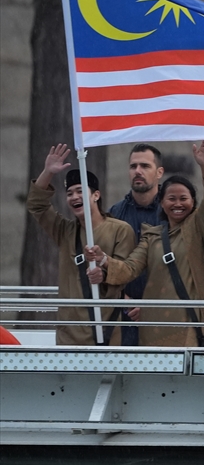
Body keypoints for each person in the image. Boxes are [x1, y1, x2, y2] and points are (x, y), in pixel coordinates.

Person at [85, 141, 204, 347]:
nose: (177, 204)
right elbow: (128, 268)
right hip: (148, 329)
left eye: (183, 198)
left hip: (188, 329)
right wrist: (102, 259)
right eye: (171, 199)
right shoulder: (150, 236)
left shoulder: (198, 227)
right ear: (162, 203)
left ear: (193, 203)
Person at [26, 144, 135, 346]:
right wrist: (48, 172)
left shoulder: (121, 230)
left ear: (96, 195)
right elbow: (36, 205)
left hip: (106, 331)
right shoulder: (65, 231)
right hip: (69, 334)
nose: (74, 197)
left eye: (80, 191)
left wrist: (104, 271)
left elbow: (125, 272)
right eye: (69, 193)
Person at [107, 143, 165, 346]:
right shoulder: (115, 213)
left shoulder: (174, 212)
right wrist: (123, 299)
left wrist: (153, 306)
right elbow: (103, 264)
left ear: (159, 172)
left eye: (145, 166)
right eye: (133, 166)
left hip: (166, 318)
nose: (137, 171)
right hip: (123, 317)